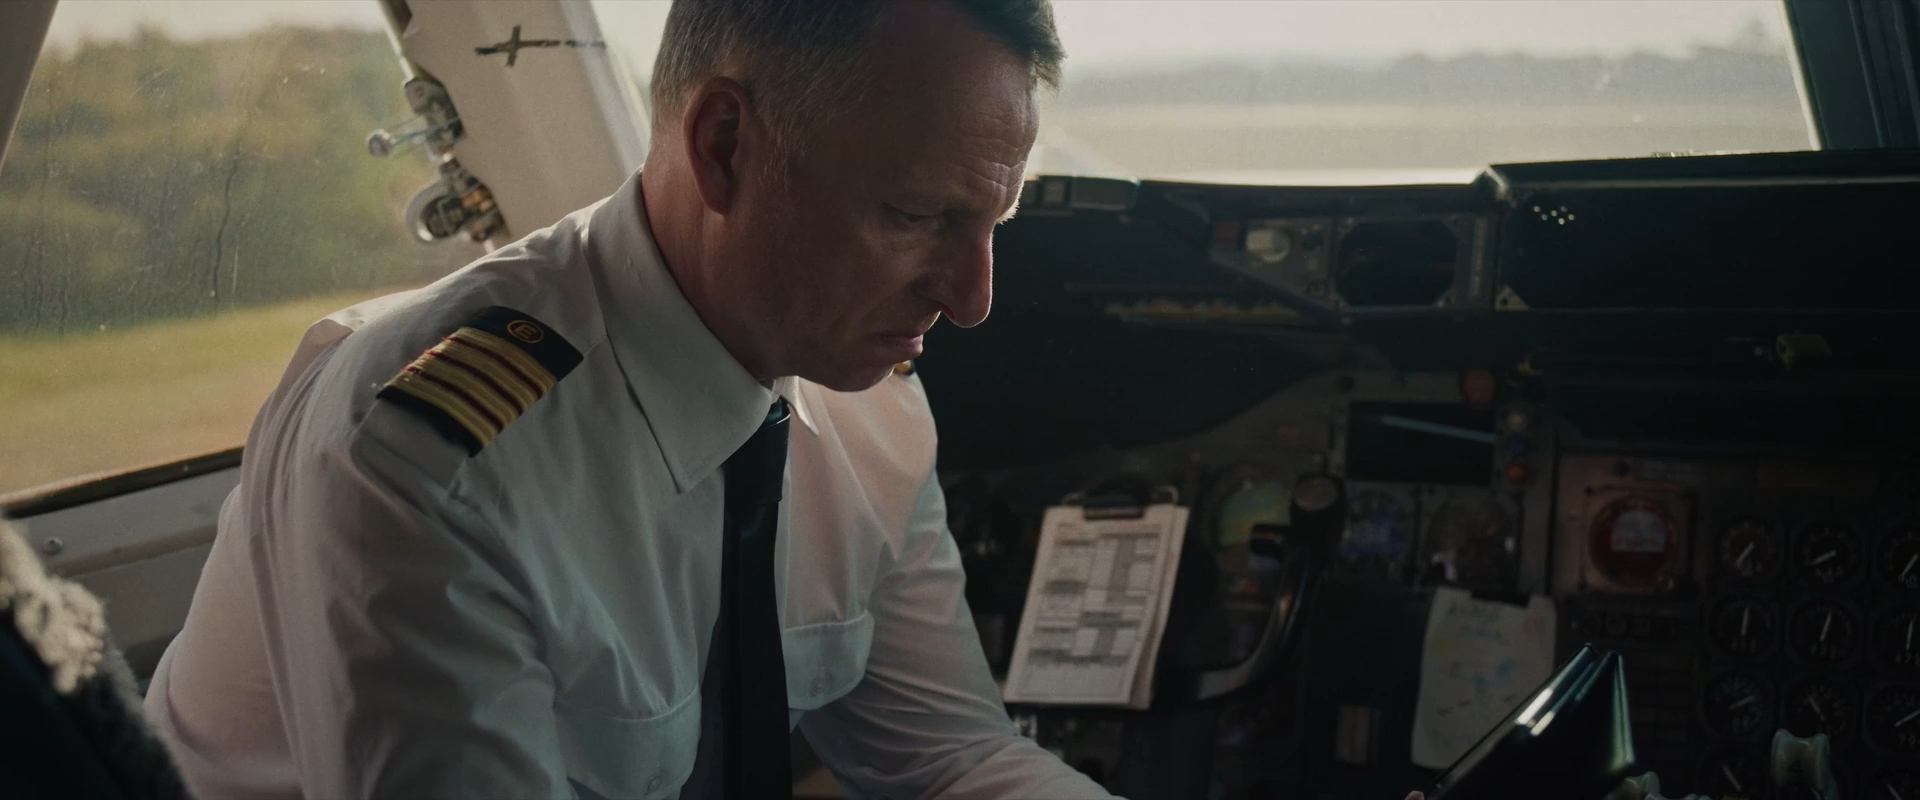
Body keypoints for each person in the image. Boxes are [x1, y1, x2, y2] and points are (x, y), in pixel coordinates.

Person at [143, 0, 1114, 797]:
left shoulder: (867, 411)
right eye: (915, 215)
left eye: (993, 221)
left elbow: (952, 760)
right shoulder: (434, 468)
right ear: (725, 145)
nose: (971, 299)